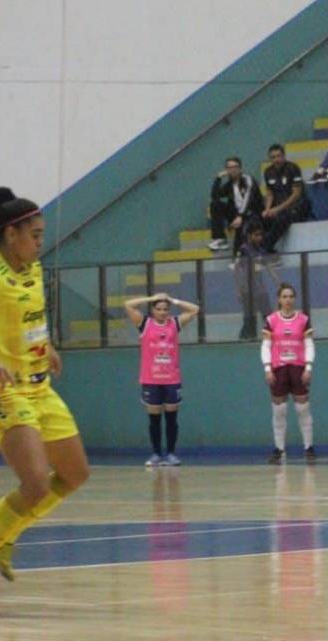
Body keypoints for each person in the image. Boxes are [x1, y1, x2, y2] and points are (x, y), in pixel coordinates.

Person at [0, 187, 91, 611]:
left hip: (39, 386)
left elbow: (31, 318)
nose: (41, 241)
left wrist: (48, 347)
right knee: (36, 482)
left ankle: (6, 536)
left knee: (76, 475)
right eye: (36, 234)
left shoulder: (32, 268)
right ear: (12, 234)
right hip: (5, 394)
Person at [123, 293, 200, 466]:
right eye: (158, 309)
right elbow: (128, 305)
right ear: (153, 310)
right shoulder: (144, 324)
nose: (162, 312)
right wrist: (150, 298)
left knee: (172, 418)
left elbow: (195, 309)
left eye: (166, 309)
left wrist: (174, 300)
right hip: (151, 379)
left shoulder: (174, 323)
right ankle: (156, 454)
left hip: (171, 379)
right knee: (154, 419)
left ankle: (171, 454)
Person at [263, 283, 316, 463]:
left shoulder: (303, 319)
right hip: (278, 368)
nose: (288, 300)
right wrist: (268, 368)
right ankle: (279, 449)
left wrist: (308, 367)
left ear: (295, 299)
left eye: (291, 296)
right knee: (279, 410)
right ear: (279, 299)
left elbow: (309, 344)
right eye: (284, 297)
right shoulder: (271, 320)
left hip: (298, 367)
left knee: (303, 408)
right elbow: (266, 345)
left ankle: (308, 447)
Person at [208, 156, 265, 253]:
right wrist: (218, 178)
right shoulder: (230, 184)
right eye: (229, 168)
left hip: (252, 214)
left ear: (240, 168)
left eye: (235, 167)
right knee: (215, 204)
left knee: (241, 238)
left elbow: (248, 199)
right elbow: (215, 196)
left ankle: (242, 260)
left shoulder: (248, 179)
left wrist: (240, 216)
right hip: (237, 215)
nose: (232, 170)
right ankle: (221, 239)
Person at [260, 144, 307, 255]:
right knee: (259, 218)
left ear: (284, 156)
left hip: (296, 207)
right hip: (278, 207)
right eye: (273, 157)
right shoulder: (268, 172)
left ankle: (263, 248)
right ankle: (269, 251)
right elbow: (270, 193)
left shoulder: (293, 168)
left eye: (279, 156)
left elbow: (296, 194)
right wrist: (267, 209)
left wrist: (277, 209)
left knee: (282, 218)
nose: (276, 159)